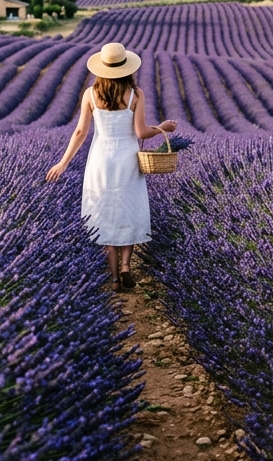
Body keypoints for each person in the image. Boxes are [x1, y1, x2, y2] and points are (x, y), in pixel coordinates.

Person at [46, 42, 176, 291]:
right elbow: (141, 132)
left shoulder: (90, 94)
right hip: (127, 158)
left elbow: (80, 132)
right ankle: (127, 266)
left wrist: (63, 163)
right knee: (126, 209)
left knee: (105, 213)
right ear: (126, 67)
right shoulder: (135, 93)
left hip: (100, 160)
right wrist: (162, 128)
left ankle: (114, 278)